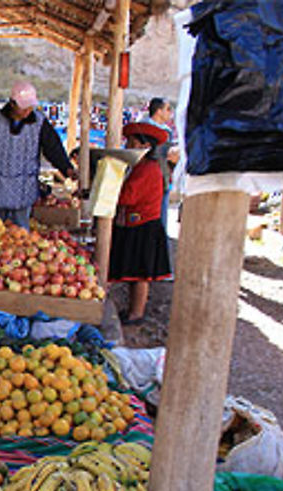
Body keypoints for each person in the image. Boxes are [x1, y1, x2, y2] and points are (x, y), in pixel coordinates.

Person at [0, 81, 75, 230]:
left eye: (30, 107)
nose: (28, 111)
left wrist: (67, 168)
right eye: (24, 107)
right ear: (12, 104)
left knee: (20, 234)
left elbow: (53, 149)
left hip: (23, 189)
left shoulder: (40, 122)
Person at [108, 122, 172, 326]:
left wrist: (107, 191)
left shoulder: (147, 169)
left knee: (140, 274)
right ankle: (134, 311)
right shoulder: (142, 166)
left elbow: (128, 196)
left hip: (143, 227)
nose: (128, 144)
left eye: (132, 141)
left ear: (145, 145)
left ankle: (136, 314)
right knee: (136, 273)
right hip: (137, 224)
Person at [144, 97, 178, 228]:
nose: (170, 113)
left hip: (162, 178)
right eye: (168, 109)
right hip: (147, 179)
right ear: (158, 111)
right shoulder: (143, 128)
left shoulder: (167, 132)